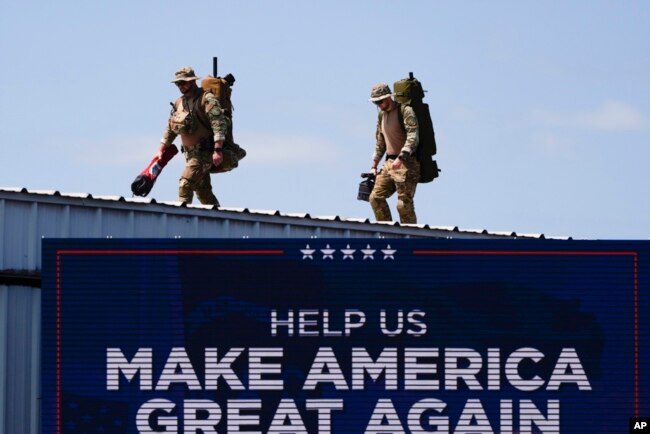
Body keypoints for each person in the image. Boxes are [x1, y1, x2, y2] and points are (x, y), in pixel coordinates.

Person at [157, 66, 228, 205]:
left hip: (204, 153)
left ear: (192, 81)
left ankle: (183, 220)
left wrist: (218, 150)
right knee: (203, 192)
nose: (180, 86)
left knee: (185, 184)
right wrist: (160, 150)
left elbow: (218, 123)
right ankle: (216, 221)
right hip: (190, 155)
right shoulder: (179, 102)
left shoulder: (206, 98)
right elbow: (171, 128)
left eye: (183, 82)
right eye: (178, 83)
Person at [368, 83, 420, 224]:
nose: (379, 104)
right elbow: (380, 143)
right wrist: (374, 166)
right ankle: (387, 231)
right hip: (389, 163)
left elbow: (413, 137)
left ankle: (410, 237)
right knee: (375, 198)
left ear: (389, 97)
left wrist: (401, 157)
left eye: (381, 101)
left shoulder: (405, 111)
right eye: (376, 102)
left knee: (403, 204)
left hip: (407, 162)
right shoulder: (381, 116)